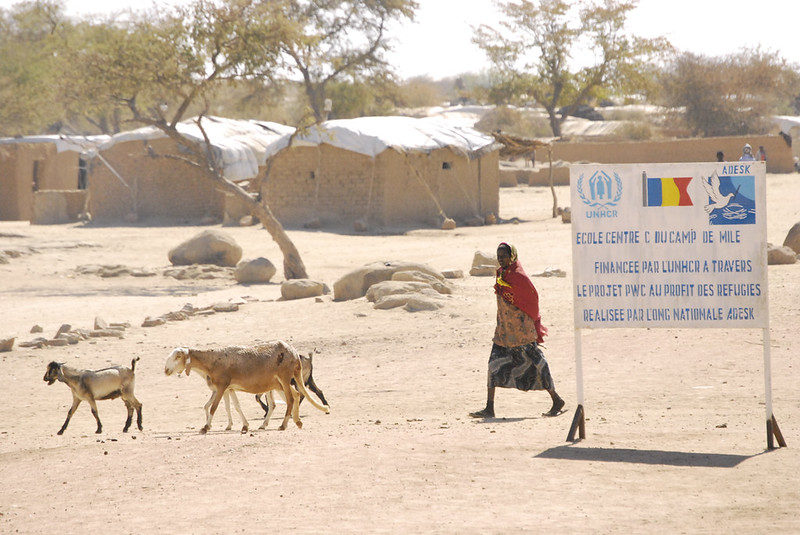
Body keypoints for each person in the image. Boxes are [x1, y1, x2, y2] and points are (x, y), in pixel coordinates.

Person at [469, 243, 565, 419]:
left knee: (538, 364)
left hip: (522, 332)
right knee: (493, 365)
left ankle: (556, 399)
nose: (500, 259)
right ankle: (489, 408)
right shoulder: (502, 274)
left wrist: (531, 321)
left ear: (511, 256)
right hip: (504, 332)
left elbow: (532, 298)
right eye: (498, 256)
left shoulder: (519, 277)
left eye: (504, 256)